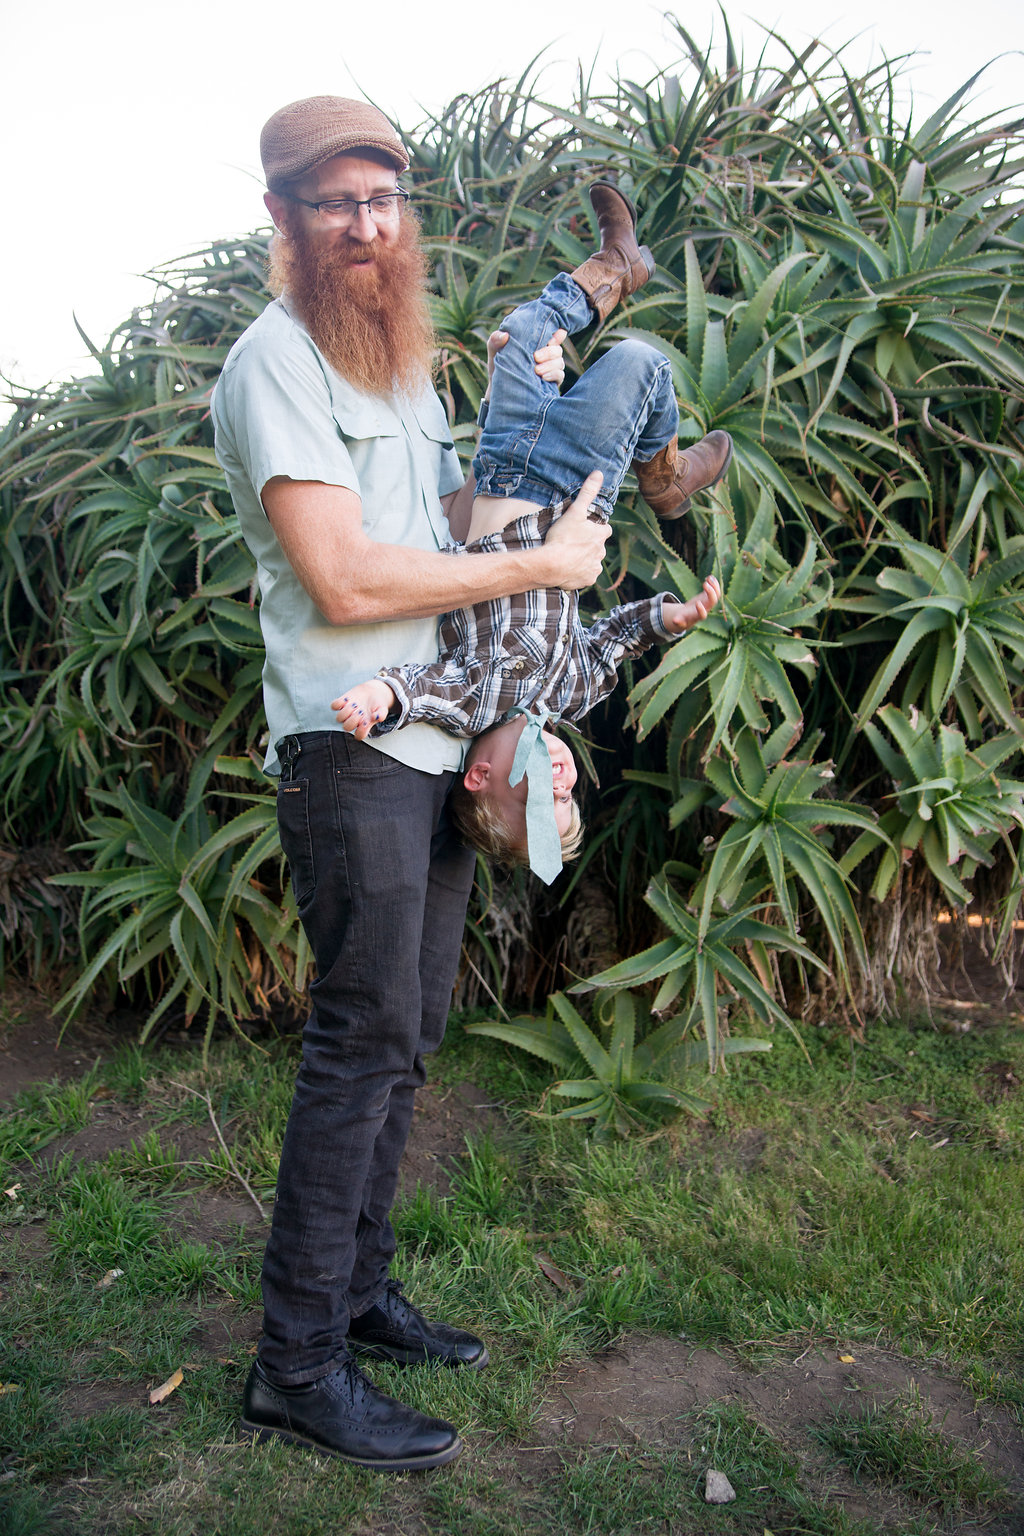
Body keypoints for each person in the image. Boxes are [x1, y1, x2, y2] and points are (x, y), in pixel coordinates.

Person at [210, 95, 725, 1474]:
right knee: (360, 1039)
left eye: (382, 199)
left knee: (411, 1031)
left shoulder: (389, 366)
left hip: (439, 739)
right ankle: (295, 1368)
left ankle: (359, 1296)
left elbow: (446, 529)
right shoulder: (276, 364)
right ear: (283, 219)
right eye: (335, 202)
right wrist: (543, 565)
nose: (365, 224)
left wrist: (539, 483)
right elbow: (345, 577)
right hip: (350, 741)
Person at [331, 211, 731, 881]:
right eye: (567, 798)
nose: (559, 782)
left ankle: (616, 273)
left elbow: (421, 690)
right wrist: (667, 617)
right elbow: (611, 642)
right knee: (639, 363)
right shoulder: (567, 694)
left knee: (520, 332)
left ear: (480, 776)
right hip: (571, 484)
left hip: (502, 462)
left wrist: (379, 698)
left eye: (538, 801)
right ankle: (665, 473)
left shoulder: (475, 700)